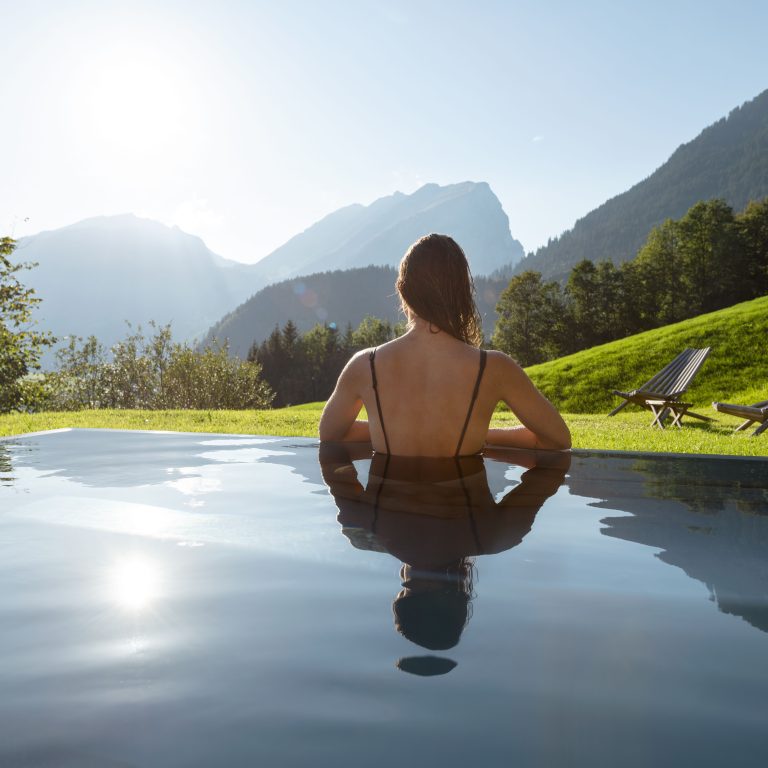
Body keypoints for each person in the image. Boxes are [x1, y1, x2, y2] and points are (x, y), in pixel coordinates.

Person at [319, 233, 571, 456]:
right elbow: (557, 440)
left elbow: (331, 435)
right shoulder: (494, 368)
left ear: (403, 292)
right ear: (462, 294)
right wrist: (481, 434)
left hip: (387, 509)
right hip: (461, 507)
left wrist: (392, 431)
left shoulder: (365, 365)